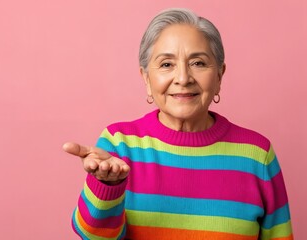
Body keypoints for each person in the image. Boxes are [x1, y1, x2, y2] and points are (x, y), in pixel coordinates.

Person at [63, 8, 293, 240]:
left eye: (198, 63)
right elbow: (94, 237)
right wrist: (107, 186)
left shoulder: (257, 154)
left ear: (219, 77)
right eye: (166, 65)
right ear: (146, 79)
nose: (183, 78)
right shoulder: (120, 144)